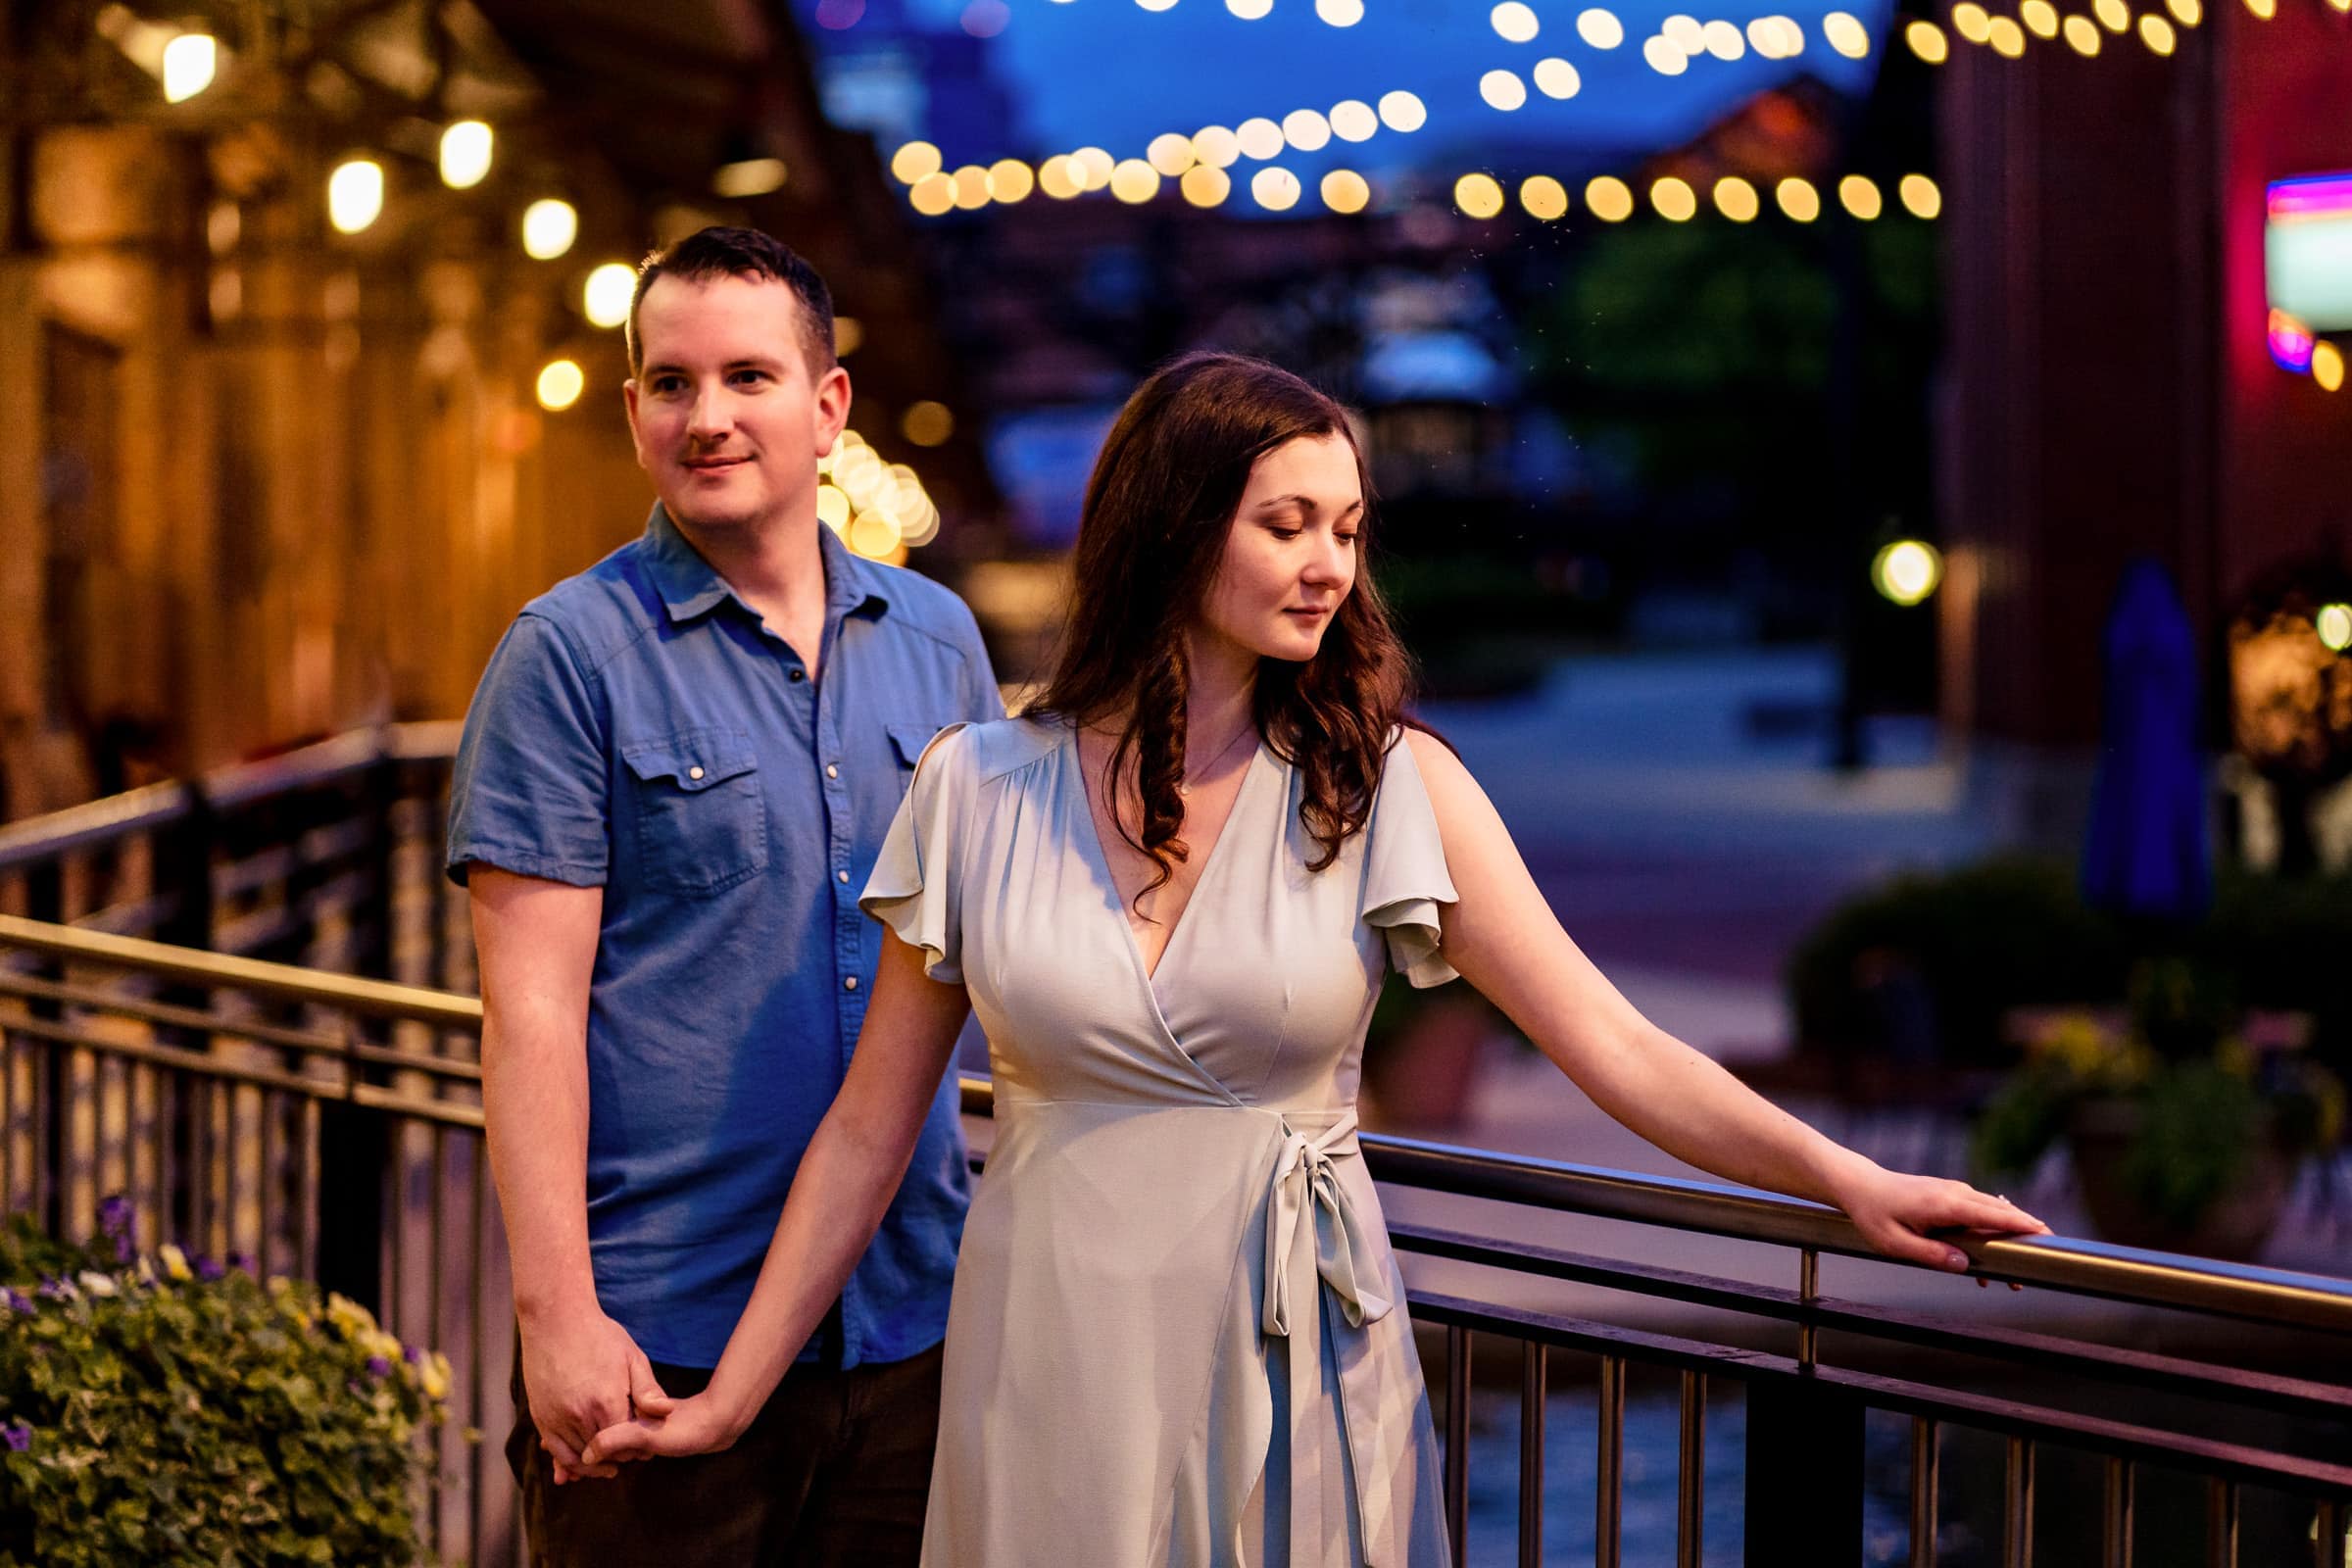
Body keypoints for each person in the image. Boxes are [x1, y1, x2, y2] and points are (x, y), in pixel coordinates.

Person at [579, 352, 2047, 1565]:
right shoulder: (972, 788)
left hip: (1291, 1354)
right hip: (1049, 1360)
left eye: (1349, 528)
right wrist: (729, 1402)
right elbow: (864, 1133)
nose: (1331, 565)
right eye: (1288, 524)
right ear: (1173, 524)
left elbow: (1618, 1046)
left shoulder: (1391, 788)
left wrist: (1852, 1186)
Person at [446, 226, 1002, 1566]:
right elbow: (531, 1017)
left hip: (912, 1328)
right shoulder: (566, 657)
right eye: (672, 383)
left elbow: (1016, 947)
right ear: (635, 407)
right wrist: (556, 1320)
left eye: (748, 378)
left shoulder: (940, 645)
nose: (708, 417)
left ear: (827, 409)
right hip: (657, 1344)